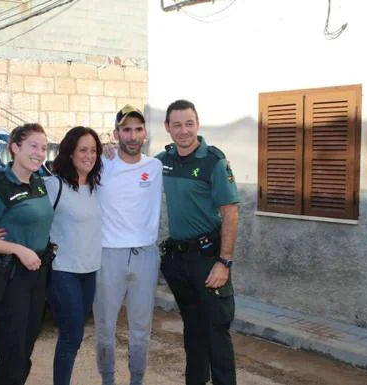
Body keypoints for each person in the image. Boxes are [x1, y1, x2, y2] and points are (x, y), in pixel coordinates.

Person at [156, 99, 240, 385]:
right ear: (167, 127)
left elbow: (230, 213)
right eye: (177, 125)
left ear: (198, 124)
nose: (183, 131)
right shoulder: (163, 161)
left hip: (208, 259)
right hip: (179, 261)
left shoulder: (213, 161)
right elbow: (134, 170)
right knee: (193, 332)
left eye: (189, 123)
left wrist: (224, 262)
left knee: (216, 333)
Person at [0, 123, 54, 385]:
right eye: (33, 146)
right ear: (15, 148)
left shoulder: (38, 181)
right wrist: (18, 249)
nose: (40, 153)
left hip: (37, 275)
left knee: (25, 346)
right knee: (11, 351)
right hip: (10, 276)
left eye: (43, 147)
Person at [94, 105, 163, 385]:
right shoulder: (101, 162)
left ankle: (137, 380)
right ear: (116, 134)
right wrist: (101, 149)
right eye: (126, 130)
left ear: (145, 134)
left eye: (137, 129)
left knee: (140, 330)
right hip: (108, 255)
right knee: (105, 328)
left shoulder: (157, 166)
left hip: (145, 255)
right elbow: (69, 159)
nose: (132, 136)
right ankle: (107, 380)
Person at [44, 126, 103, 385]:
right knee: (71, 334)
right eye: (83, 150)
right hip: (63, 270)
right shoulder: (54, 185)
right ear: (69, 153)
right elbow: (32, 220)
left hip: (90, 271)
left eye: (93, 150)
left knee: (75, 335)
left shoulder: (97, 186)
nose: (89, 156)